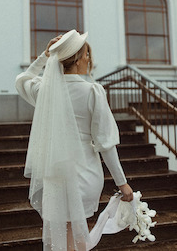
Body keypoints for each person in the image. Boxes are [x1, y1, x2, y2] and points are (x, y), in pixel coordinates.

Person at [15, 30, 133, 251]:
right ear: (78, 59)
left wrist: (44, 56)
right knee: (76, 234)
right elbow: (105, 144)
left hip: (56, 176)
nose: (89, 59)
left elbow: (22, 80)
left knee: (66, 233)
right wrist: (122, 183)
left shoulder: (45, 90)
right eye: (86, 54)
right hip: (84, 175)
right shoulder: (92, 92)